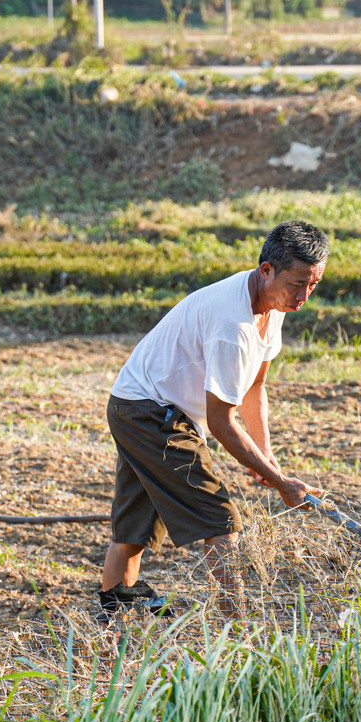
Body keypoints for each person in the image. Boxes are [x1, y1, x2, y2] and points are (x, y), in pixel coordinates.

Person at [98, 220, 329, 620]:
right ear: (266, 270)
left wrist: (267, 458)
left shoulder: (271, 305)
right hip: (151, 412)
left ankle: (112, 615)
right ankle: (235, 629)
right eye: (297, 283)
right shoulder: (232, 325)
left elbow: (255, 386)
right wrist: (282, 484)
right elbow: (222, 424)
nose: (304, 295)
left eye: (313, 284)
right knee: (221, 521)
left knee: (134, 528)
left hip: (137, 404)